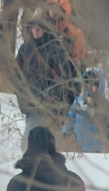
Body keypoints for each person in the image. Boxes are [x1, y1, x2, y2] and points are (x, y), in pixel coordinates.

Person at [16, 15, 78, 144]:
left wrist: (51, 99)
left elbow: (64, 79)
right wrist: (23, 98)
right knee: (33, 142)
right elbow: (18, 76)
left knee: (47, 142)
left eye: (39, 28)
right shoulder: (25, 49)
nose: (35, 31)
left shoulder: (57, 50)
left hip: (51, 105)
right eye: (33, 28)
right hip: (31, 104)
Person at [64, 68, 109, 152]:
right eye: (87, 83)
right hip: (80, 148)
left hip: (100, 149)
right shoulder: (79, 101)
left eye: (93, 84)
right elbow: (70, 118)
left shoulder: (106, 105)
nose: (89, 86)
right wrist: (66, 132)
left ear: (99, 85)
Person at [45, 0, 87, 65]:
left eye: (57, 8)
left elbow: (78, 59)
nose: (53, 11)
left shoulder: (75, 32)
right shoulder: (44, 28)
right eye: (51, 7)